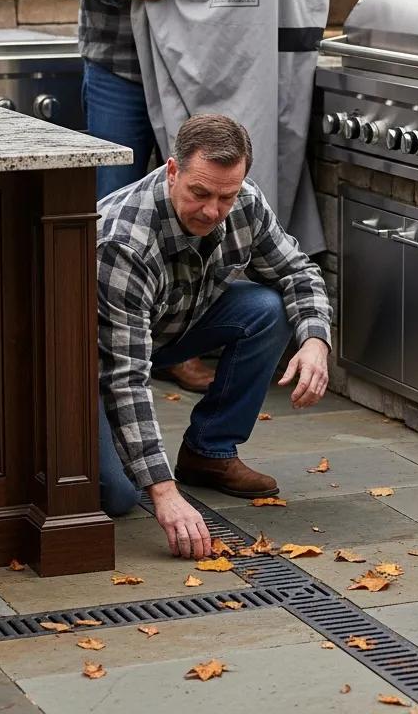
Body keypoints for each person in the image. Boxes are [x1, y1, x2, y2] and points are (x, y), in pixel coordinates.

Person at [42, 0, 256, 393]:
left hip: (197, 78)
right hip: (119, 71)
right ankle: (101, 353)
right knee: (112, 211)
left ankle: (176, 349)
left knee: (193, 207)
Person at [96, 114, 333, 557]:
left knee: (268, 308)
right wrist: (164, 495)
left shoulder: (244, 200)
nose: (212, 210)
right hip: (95, 361)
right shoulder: (124, 243)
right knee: (120, 497)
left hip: (170, 329)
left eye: (225, 196)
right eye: (199, 193)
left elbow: (298, 271)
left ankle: (210, 452)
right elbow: (125, 379)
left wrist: (316, 341)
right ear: (173, 171)